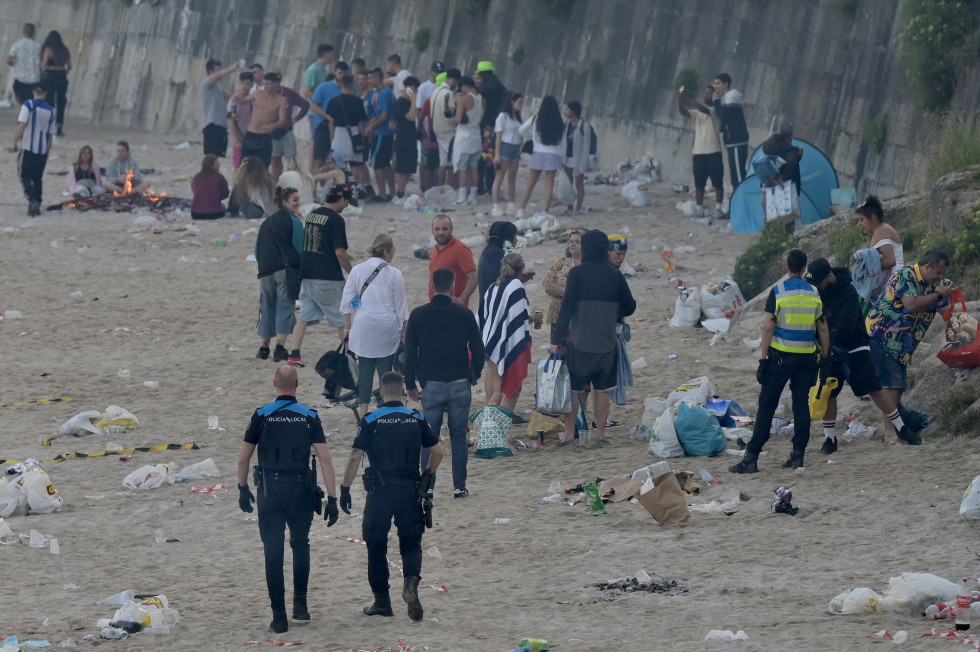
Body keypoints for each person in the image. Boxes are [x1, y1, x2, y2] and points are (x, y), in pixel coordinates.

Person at [237, 365, 339, 633]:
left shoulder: (261, 415)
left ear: (275, 384)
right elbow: (326, 460)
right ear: (297, 384)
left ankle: (279, 616)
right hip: (300, 490)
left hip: (270, 491)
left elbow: (244, 457)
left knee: (273, 552)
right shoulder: (309, 416)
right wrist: (332, 498)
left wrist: (243, 487)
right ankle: (300, 605)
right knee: (300, 544)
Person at [338, 371, 443, 620]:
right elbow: (438, 451)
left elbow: (355, 456)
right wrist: (428, 476)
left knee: (376, 546)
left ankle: (382, 603)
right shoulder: (416, 418)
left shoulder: (371, 419)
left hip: (380, 492)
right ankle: (409, 584)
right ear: (403, 393)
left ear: (382, 393)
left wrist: (344, 488)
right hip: (409, 490)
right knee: (411, 543)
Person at [730, 249, 830, 473]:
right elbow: (822, 326)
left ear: (787, 266)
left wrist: (762, 359)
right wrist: (825, 355)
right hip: (806, 357)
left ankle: (751, 457)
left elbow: (768, 327)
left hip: (780, 358)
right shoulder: (813, 292)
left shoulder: (779, 291)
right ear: (804, 268)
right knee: (801, 404)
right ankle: (798, 455)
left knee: (767, 405)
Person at [803, 258, 918, 450]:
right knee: (829, 392)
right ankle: (830, 439)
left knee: (875, 388)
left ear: (829, 276)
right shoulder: (816, 292)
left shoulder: (848, 291)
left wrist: (828, 340)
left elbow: (846, 323)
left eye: (818, 283)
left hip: (855, 345)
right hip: (830, 348)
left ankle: (902, 428)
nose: (816, 287)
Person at [549, 230, 636, 446]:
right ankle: (601, 436)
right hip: (606, 343)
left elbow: (567, 309)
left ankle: (569, 435)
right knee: (602, 389)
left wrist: (556, 340)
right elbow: (630, 306)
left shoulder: (577, 274)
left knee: (576, 390)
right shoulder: (615, 275)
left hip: (579, 342)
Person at [405, 268, 485, 499]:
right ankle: (459, 487)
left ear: (432, 287)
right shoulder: (464, 314)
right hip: (460, 382)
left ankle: (428, 486)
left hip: (431, 384)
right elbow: (478, 350)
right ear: (453, 287)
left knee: (429, 438)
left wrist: (410, 382)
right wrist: (474, 374)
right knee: (459, 436)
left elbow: (410, 353)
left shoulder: (418, 315)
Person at [866, 250, 954, 444]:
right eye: (938, 272)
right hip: (883, 335)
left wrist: (963, 322)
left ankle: (896, 431)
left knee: (897, 388)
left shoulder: (932, 287)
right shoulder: (907, 275)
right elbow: (911, 304)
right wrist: (940, 292)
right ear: (927, 266)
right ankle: (891, 435)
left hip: (903, 344)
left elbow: (946, 311)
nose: (940, 277)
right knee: (890, 385)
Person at [288, 183, 356, 368]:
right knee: (341, 318)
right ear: (341, 199)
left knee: (304, 317)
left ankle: (294, 355)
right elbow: (340, 252)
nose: (347, 205)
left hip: (307, 273)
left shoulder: (313, 214)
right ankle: (350, 355)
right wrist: (353, 272)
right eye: (347, 200)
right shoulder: (336, 220)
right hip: (328, 277)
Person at [341, 234, 409, 418]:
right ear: (386, 251)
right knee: (386, 371)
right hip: (387, 327)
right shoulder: (395, 273)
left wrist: (347, 329)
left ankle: (363, 414)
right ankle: (388, 410)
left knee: (365, 372)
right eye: (393, 250)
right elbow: (401, 309)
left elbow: (347, 302)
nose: (393, 254)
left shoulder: (356, 270)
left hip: (363, 325)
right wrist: (404, 334)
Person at [254, 186, 304, 362]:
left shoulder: (266, 222)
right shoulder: (294, 221)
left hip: (265, 270)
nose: (298, 203)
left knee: (267, 306)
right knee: (285, 305)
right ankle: (280, 348)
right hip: (284, 270)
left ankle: (263, 348)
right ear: (285, 202)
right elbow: (301, 248)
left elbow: (257, 249)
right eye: (295, 200)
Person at [481, 253, 533, 410]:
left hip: (489, 341)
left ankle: (489, 425)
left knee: (495, 388)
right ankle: (495, 429)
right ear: (521, 269)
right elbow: (517, 319)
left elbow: (487, 314)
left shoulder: (493, 286)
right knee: (511, 390)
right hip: (507, 344)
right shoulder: (516, 286)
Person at [678, 86, 725, 218]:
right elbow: (684, 112)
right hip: (698, 152)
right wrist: (680, 101)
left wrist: (687, 98)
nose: (706, 95)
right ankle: (699, 208)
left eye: (709, 93)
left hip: (714, 151)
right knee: (699, 183)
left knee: (717, 183)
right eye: (705, 93)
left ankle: (718, 208)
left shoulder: (716, 111)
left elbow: (704, 109)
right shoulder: (697, 113)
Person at [9, 84, 54, 217]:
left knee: (24, 174)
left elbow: (22, 124)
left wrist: (14, 143)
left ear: (34, 91)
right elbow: (50, 135)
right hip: (42, 150)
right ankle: (38, 201)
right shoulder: (51, 110)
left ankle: (32, 199)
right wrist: (47, 152)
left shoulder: (27, 105)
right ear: (45, 93)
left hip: (28, 147)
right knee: (37, 178)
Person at [517, 95, 564, 219]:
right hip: (553, 154)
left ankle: (521, 209)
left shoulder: (536, 119)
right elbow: (562, 142)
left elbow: (521, 130)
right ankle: (545, 211)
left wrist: (531, 137)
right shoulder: (559, 122)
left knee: (530, 183)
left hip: (538, 153)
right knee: (549, 184)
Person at [232, 70, 289, 168]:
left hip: (264, 136)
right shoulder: (257, 93)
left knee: (262, 167)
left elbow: (283, 119)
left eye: (268, 84)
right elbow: (244, 101)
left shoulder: (281, 100)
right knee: (244, 166)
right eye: (264, 83)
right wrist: (237, 101)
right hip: (251, 133)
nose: (265, 86)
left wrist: (273, 126)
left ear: (276, 84)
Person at [856, 195, 904, 300]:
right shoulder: (879, 231)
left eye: (861, 220)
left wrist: (867, 266)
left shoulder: (881, 231)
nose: (859, 224)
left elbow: (891, 261)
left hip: (896, 283)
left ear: (872, 217)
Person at [543, 229, 583, 345]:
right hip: (558, 315)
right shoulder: (560, 263)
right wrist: (568, 292)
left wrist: (559, 291)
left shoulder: (587, 265)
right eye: (570, 241)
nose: (572, 244)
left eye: (577, 242)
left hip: (580, 316)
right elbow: (548, 286)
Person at [709, 72, 749, 190]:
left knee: (738, 176)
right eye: (714, 83)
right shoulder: (726, 98)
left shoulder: (732, 96)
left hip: (736, 141)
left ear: (726, 84)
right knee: (736, 174)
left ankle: (741, 201)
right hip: (733, 142)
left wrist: (716, 100)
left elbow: (724, 117)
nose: (715, 86)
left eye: (718, 83)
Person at [428, 215, 478, 307]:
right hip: (434, 305)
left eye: (445, 229)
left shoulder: (460, 249)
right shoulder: (434, 250)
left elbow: (474, 277)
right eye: (437, 229)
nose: (441, 232)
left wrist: (462, 299)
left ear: (451, 229)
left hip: (453, 309)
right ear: (432, 230)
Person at [326, 74, 368, 181]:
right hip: (354, 133)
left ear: (341, 84)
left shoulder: (333, 101)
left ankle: (340, 190)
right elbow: (360, 123)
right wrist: (362, 138)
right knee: (354, 166)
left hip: (339, 134)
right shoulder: (358, 101)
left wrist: (332, 138)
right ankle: (353, 191)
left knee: (340, 165)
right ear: (351, 84)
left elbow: (331, 122)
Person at [363, 69, 397, 202]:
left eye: (370, 78)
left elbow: (383, 116)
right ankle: (392, 191)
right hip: (387, 133)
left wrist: (370, 128)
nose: (369, 81)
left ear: (377, 78)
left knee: (377, 164)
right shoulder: (387, 92)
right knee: (385, 163)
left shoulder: (383, 94)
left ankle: (382, 194)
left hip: (382, 132)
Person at [269, 73, 311, 181]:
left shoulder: (288, 93)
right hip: (272, 132)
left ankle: (291, 184)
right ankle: (276, 185)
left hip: (287, 131)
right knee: (275, 161)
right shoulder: (264, 94)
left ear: (277, 83)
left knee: (291, 160)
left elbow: (305, 104)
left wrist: (295, 119)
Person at [452, 77, 486, 205]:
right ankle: (473, 196)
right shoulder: (483, 100)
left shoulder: (464, 99)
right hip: (476, 135)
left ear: (464, 86)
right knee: (473, 167)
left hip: (464, 135)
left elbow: (458, 119)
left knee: (462, 168)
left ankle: (462, 197)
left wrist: (454, 113)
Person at [310, 62, 348, 174]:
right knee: (319, 158)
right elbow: (313, 105)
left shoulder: (348, 90)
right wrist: (326, 115)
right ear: (335, 72)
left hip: (340, 128)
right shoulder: (323, 87)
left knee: (338, 159)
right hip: (323, 125)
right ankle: (314, 186)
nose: (342, 75)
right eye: (340, 73)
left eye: (345, 73)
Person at [475, 61, 506, 196]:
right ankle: (491, 185)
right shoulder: (501, 87)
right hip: (498, 125)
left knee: (482, 157)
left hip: (486, 125)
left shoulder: (485, 89)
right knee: (493, 156)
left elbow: (482, 108)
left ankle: (480, 186)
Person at [478, 221, 519, 320]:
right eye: (515, 236)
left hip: (485, 309)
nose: (517, 240)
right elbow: (502, 285)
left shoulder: (486, 252)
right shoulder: (502, 256)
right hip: (497, 313)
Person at [302, 44, 335, 170]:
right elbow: (307, 91)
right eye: (331, 54)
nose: (333, 57)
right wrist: (320, 99)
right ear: (326, 54)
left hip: (321, 111)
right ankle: (310, 169)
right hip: (314, 111)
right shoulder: (313, 70)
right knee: (314, 140)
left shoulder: (323, 70)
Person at [491, 92, 523, 216]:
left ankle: (511, 205)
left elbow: (521, 133)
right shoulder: (503, 116)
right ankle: (496, 205)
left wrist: (521, 146)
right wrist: (497, 154)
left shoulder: (519, 118)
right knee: (499, 177)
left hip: (515, 149)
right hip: (505, 147)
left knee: (512, 178)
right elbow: (498, 136)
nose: (520, 105)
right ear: (512, 102)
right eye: (519, 102)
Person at [201, 58, 239, 157]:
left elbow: (234, 97)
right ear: (211, 72)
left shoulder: (219, 87)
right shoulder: (206, 84)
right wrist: (231, 69)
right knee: (210, 158)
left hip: (221, 127)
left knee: (216, 158)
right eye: (219, 70)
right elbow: (217, 76)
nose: (221, 73)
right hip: (211, 126)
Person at [430, 69, 460, 187]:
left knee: (442, 162)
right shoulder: (448, 93)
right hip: (448, 131)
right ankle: (451, 188)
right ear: (454, 80)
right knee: (453, 162)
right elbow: (450, 115)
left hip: (437, 130)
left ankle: (440, 188)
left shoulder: (436, 91)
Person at [39, 31, 71, 137]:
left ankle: (49, 125)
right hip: (62, 76)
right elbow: (69, 66)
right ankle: (59, 127)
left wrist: (48, 67)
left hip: (51, 77)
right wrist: (63, 70)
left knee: (50, 101)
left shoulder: (49, 49)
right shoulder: (65, 50)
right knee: (61, 101)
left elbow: (44, 64)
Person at [393, 76, 420, 199]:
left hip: (411, 137)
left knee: (409, 166)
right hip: (403, 138)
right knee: (403, 167)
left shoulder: (408, 102)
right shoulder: (402, 102)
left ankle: (402, 191)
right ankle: (400, 192)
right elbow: (410, 116)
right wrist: (414, 100)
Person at [562, 100, 591, 213]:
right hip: (567, 157)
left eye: (567, 109)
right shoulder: (566, 125)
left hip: (578, 158)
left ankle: (578, 207)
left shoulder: (584, 126)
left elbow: (586, 147)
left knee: (579, 183)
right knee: (568, 183)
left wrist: (583, 164)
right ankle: (569, 206)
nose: (565, 111)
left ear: (573, 111)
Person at [761, 124, 802, 195]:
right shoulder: (791, 152)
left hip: (767, 187)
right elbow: (791, 166)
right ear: (790, 137)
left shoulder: (769, 145)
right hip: (783, 193)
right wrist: (798, 156)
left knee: (767, 205)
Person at [417, 75, 442, 192]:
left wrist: (420, 128)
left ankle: (429, 188)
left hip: (432, 134)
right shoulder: (430, 100)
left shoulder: (430, 100)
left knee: (430, 165)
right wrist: (421, 129)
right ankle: (432, 188)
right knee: (436, 165)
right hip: (439, 136)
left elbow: (421, 118)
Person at [6, 23, 41, 106]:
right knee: (30, 103)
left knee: (20, 102)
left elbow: (9, 60)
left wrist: (14, 64)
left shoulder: (17, 45)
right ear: (33, 33)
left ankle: (21, 118)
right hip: (33, 79)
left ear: (23, 32)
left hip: (19, 78)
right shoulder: (38, 46)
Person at [227, 72, 255, 169]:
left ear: (252, 84)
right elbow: (232, 120)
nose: (244, 86)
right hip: (239, 137)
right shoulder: (235, 100)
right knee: (238, 166)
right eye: (242, 83)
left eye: (247, 84)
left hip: (251, 138)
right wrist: (236, 140)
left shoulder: (252, 100)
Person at [190, 154, 230, 220]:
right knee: (223, 207)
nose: (219, 164)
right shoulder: (218, 177)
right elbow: (225, 194)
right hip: (215, 213)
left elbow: (195, 191)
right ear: (212, 165)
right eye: (217, 162)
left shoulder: (197, 177)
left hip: (196, 213)